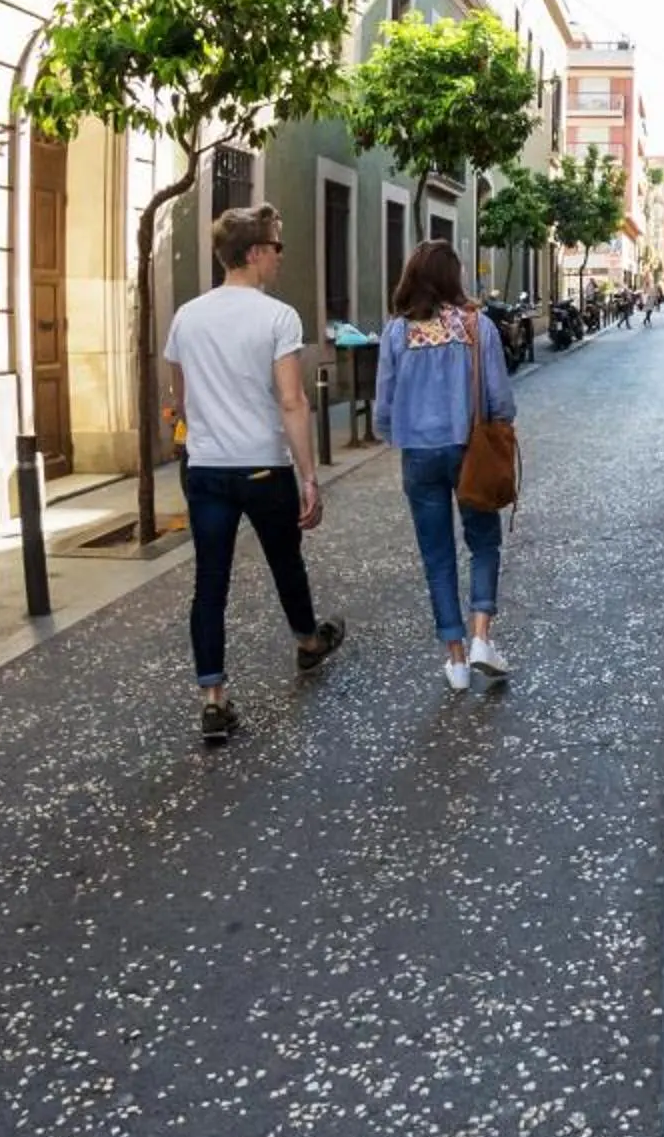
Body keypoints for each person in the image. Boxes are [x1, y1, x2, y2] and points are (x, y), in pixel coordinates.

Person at [163, 205, 346, 746]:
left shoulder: (186, 316)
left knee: (210, 581)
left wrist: (203, 433)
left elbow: (179, 399)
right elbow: (292, 402)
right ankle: (309, 642)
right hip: (263, 463)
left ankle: (213, 699)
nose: (281, 257)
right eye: (277, 247)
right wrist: (310, 476)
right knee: (285, 560)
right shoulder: (277, 317)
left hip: (206, 467)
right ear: (255, 253)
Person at [377, 238, 517, 697]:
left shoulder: (397, 331)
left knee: (437, 557)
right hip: (468, 448)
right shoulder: (479, 327)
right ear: (452, 277)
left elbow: (384, 404)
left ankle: (455, 662)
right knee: (483, 542)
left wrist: (394, 430)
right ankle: (481, 637)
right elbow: (499, 400)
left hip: (419, 454)